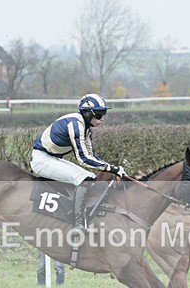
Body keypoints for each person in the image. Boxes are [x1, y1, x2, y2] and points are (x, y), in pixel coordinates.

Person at [31, 93, 126, 230]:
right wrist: (111, 168)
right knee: (84, 179)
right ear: (87, 113)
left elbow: (92, 155)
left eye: (103, 114)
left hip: (51, 158)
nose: (102, 118)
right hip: (42, 160)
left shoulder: (86, 127)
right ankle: (79, 223)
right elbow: (83, 159)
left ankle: (81, 215)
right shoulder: (75, 125)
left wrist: (112, 168)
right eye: (99, 115)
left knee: (91, 177)